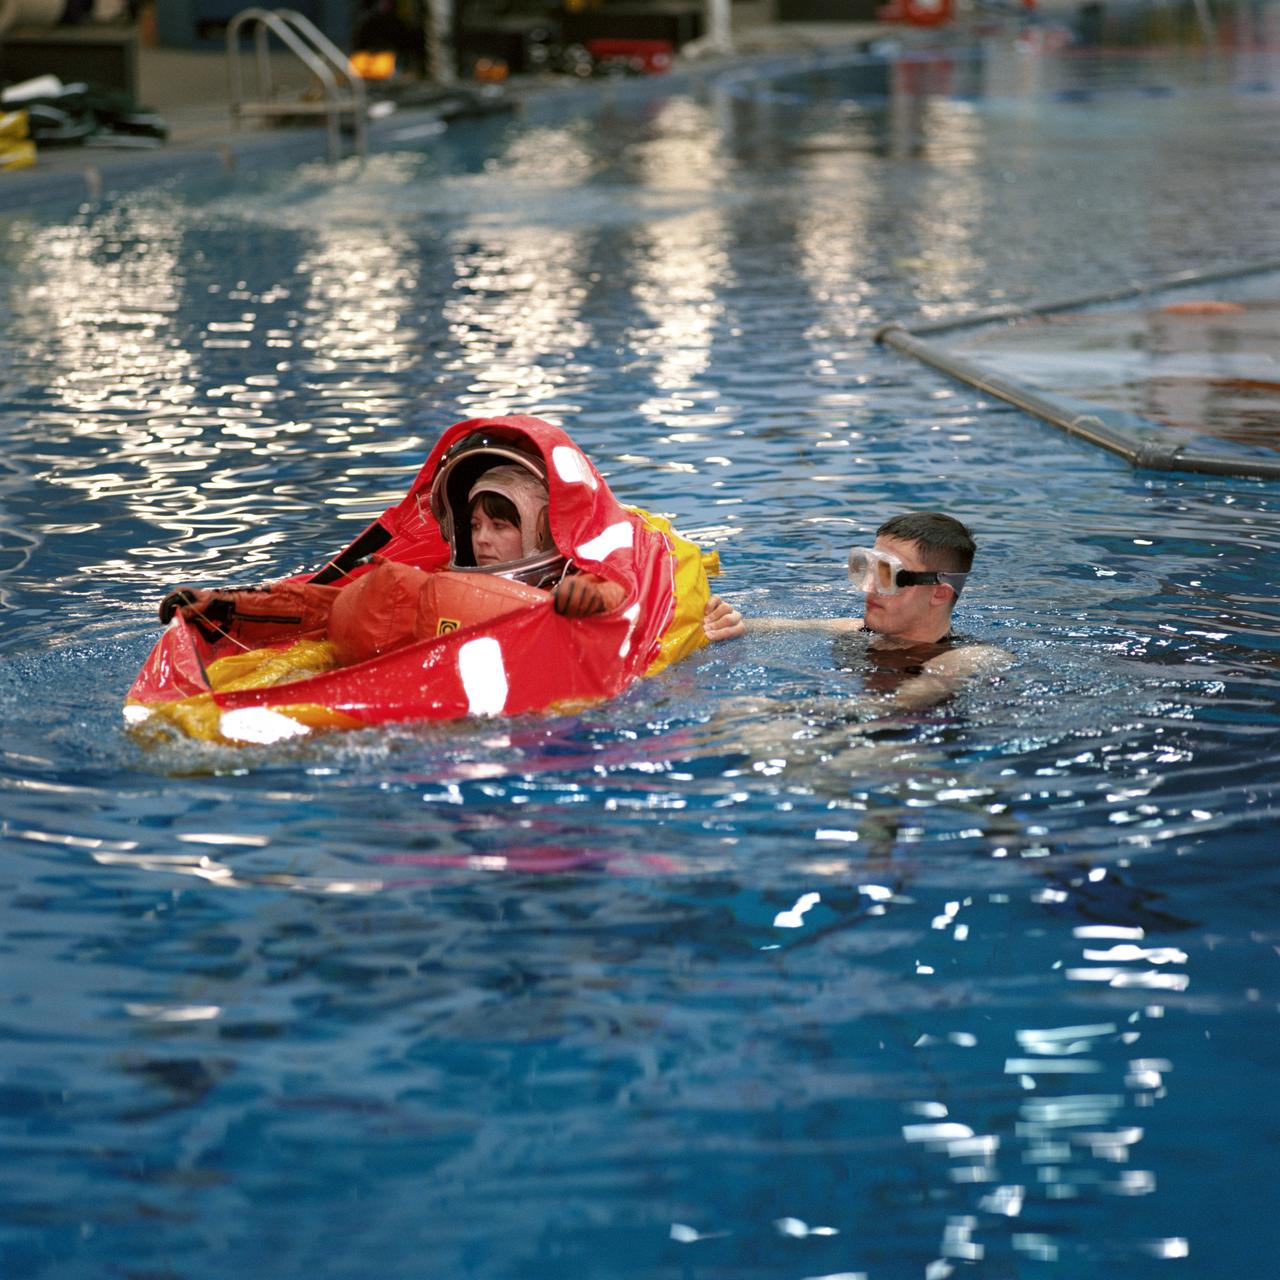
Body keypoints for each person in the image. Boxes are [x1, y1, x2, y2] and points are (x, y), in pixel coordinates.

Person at [159, 440, 626, 663]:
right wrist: (227, 605)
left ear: (540, 534)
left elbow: (615, 590)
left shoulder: (567, 581)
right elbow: (326, 603)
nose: (482, 538)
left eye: (501, 526)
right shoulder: (444, 580)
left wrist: (589, 598)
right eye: (476, 525)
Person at [701, 511, 1010, 712]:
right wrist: (728, 621)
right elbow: (767, 625)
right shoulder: (855, 630)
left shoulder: (969, 657)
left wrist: (776, 710)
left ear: (939, 593)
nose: (867, 588)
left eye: (888, 576)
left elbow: (896, 705)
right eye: (866, 569)